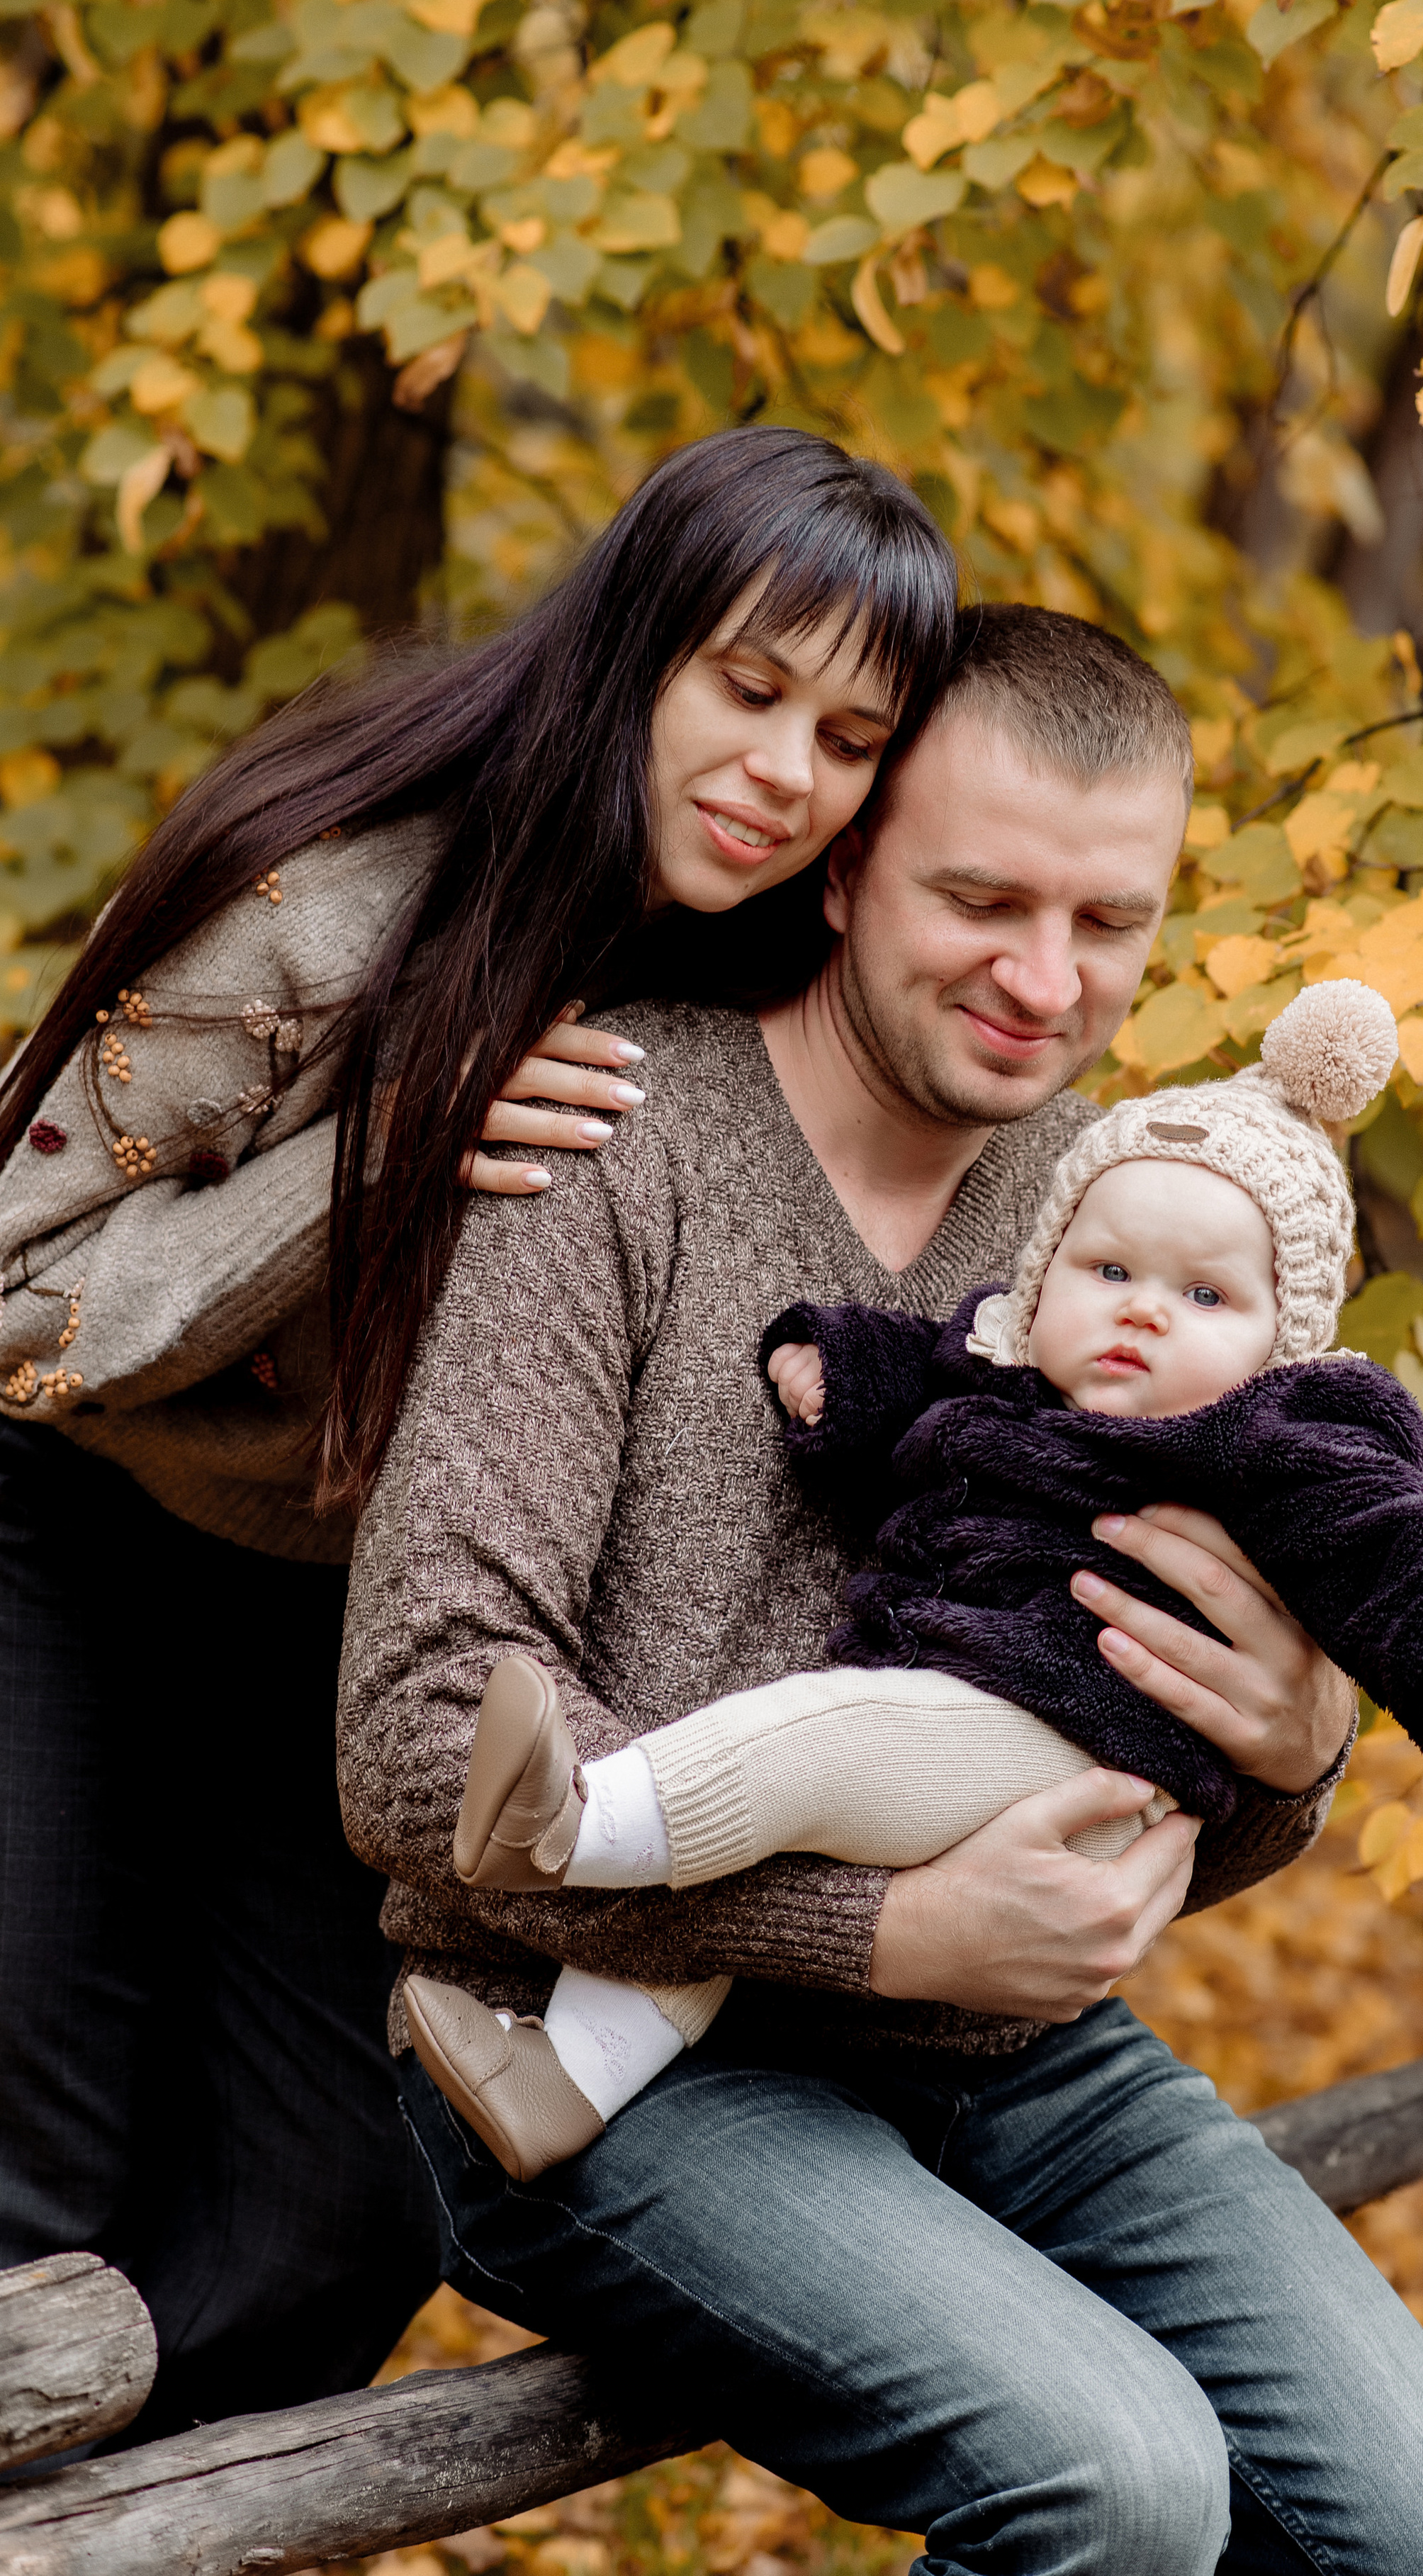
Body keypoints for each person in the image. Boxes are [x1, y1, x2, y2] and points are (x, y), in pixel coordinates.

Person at [339, 605, 1423, 2572]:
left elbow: (1170, 1754)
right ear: (844, 866)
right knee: (1118, 2480)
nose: (1045, 981)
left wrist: (1293, 1751)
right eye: (983, 900)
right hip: (591, 2050)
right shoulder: (607, 1141)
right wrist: (885, 1929)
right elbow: (422, 1749)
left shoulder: (1141, 1210)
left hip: (1021, 2060)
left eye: (1111, 923)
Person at [0, 425, 956, 2438]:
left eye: (853, 739)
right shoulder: (335, 890)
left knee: (331, 2227)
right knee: (36, 2190)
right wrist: (387, 1161)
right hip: (62, 1529)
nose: (787, 770)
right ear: (635, 647)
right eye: (750, 687)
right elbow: (11, 1281)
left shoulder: (766, 997)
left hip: (333, 1630)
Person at [404, 976, 1423, 2181]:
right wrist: (835, 1367)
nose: (1142, 1314)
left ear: (1282, 1335)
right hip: (970, 1717)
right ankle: (560, 2080)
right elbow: (927, 1377)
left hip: (1066, 1740)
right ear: (1048, 1276)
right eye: (1107, 1273)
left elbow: (1403, 1548)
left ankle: (580, 1821)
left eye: (1204, 1295)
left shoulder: (1276, 1441)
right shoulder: (1019, 1375)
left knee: (811, 1740)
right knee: (753, 1874)